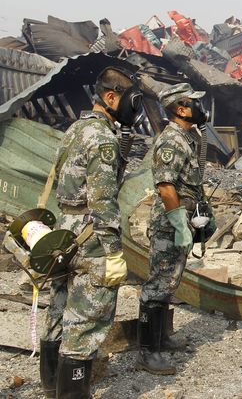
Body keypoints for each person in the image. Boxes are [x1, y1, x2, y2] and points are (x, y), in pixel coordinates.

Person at [41, 66, 142, 398]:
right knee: (86, 321)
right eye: (130, 100)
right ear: (110, 97)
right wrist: (113, 252)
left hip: (66, 231)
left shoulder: (76, 129)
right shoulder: (103, 139)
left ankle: (50, 386)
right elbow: (103, 199)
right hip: (92, 237)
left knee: (59, 310)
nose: (134, 107)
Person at [137, 83, 214, 375]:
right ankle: (148, 351)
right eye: (193, 103)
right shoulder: (172, 141)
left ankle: (161, 339)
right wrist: (180, 224)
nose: (199, 107)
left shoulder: (187, 137)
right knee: (156, 286)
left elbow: (187, 184)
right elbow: (166, 187)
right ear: (181, 109)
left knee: (169, 282)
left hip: (181, 221)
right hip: (170, 223)